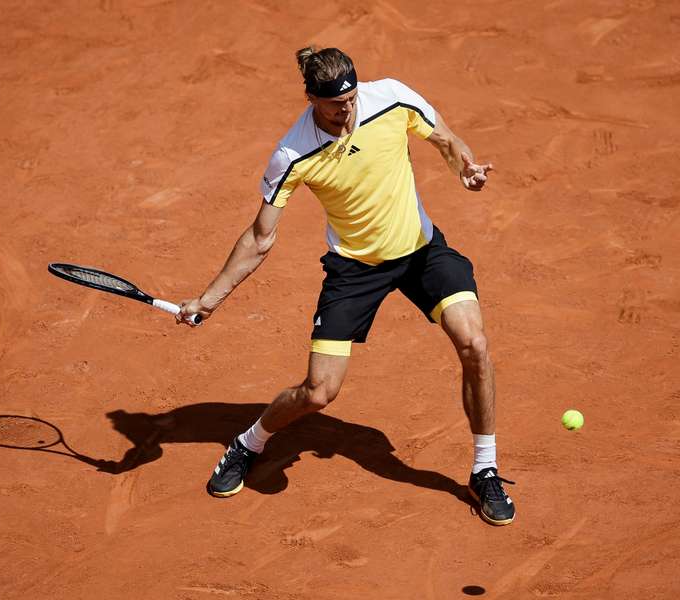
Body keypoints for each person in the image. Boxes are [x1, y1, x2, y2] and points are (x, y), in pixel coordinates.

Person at [177, 47, 515, 525]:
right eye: (336, 104)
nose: (348, 110)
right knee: (318, 392)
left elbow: (445, 137)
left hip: (421, 252)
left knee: (475, 344)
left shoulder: (391, 98)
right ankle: (247, 443)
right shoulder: (293, 154)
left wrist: (466, 167)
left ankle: (485, 469)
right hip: (355, 270)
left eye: (352, 98)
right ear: (311, 98)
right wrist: (210, 299)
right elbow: (260, 236)